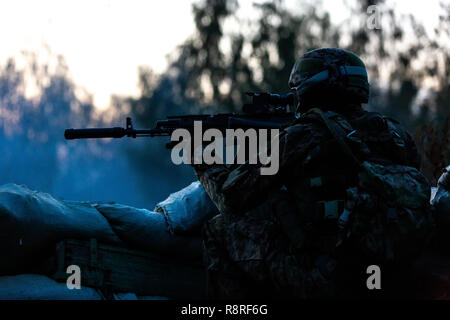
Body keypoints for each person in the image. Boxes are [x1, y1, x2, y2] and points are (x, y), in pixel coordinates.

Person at [192, 48, 432, 299]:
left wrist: (203, 161)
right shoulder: (395, 134)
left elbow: (231, 198)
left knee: (219, 228)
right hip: (388, 269)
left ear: (312, 87)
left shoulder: (303, 135)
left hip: (326, 277)